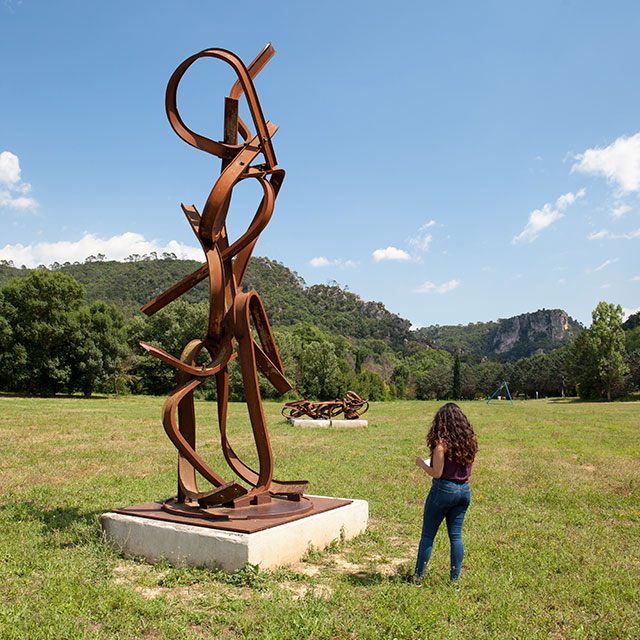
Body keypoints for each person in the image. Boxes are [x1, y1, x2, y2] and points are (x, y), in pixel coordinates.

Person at [409, 402, 478, 585]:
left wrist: (422, 464)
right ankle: (454, 581)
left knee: (428, 535)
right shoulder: (470, 442)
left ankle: (418, 577)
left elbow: (437, 473)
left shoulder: (441, 446)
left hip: (443, 490)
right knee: (456, 536)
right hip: (464, 490)